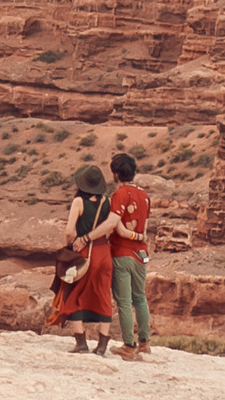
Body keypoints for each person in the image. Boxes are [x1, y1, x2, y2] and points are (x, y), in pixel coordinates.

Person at [46, 162, 124, 355]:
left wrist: (73, 244)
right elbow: (114, 226)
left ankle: (81, 342)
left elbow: (69, 231)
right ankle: (102, 345)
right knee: (103, 295)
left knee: (74, 294)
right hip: (104, 253)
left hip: (84, 254)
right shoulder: (108, 201)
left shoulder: (79, 202)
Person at [106, 151, 153, 359]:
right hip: (141, 254)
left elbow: (118, 228)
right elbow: (147, 227)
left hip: (122, 254)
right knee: (140, 298)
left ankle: (128, 346)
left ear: (116, 174)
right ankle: (145, 343)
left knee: (124, 302)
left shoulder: (119, 195)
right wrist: (140, 237)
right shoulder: (144, 195)